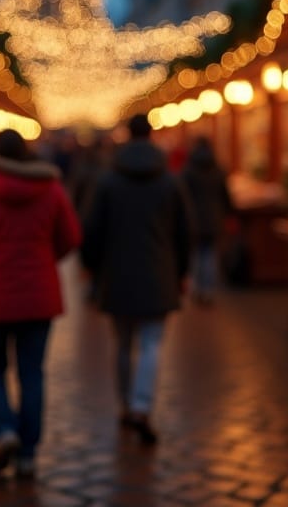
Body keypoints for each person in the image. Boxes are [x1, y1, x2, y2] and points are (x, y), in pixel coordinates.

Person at [0, 129, 81, 479]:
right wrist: (43, 259)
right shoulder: (50, 188)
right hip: (38, 296)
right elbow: (70, 237)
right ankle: (28, 453)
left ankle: (5, 429)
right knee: (32, 373)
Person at [80, 113, 193, 444]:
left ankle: (126, 405)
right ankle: (143, 406)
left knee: (122, 343)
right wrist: (182, 272)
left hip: (117, 273)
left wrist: (91, 266)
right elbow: (184, 233)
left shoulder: (108, 181)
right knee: (151, 344)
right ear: (152, 134)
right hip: (158, 273)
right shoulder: (170, 181)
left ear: (126, 136)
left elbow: (92, 230)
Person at [180, 136, 233, 304]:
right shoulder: (218, 170)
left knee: (195, 254)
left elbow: (182, 197)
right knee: (210, 255)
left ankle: (196, 287)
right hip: (213, 218)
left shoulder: (188, 171)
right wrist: (228, 213)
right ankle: (208, 290)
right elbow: (225, 196)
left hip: (193, 219)